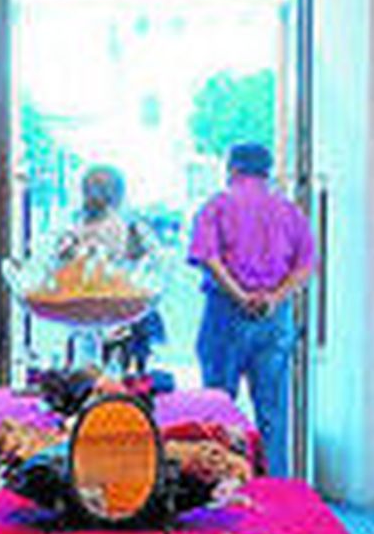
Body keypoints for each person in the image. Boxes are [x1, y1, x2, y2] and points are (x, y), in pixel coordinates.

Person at [187, 142, 316, 479]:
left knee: (218, 411)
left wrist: (240, 295)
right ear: (267, 171)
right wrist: (274, 298)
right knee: (273, 413)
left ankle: (225, 484)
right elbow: (305, 265)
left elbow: (207, 257)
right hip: (274, 319)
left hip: (225, 314)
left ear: (231, 168)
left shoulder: (217, 206)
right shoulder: (289, 210)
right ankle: (276, 489)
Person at [59, 165, 165, 375]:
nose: (95, 194)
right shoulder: (75, 225)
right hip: (83, 308)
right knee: (83, 369)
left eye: (103, 187)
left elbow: (156, 261)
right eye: (90, 188)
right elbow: (59, 258)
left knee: (120, 370)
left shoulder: (132, 226)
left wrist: (136, 256)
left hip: (123, 310)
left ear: (118, 193)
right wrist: (68, 254)